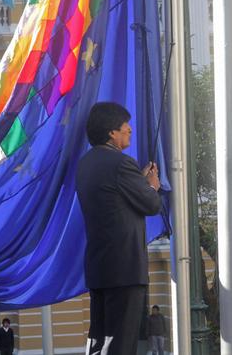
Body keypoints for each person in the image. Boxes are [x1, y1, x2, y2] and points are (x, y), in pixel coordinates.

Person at [75, 102, 162, 355]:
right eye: (126, 127)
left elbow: (116, 196)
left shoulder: (86, 164)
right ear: (112, 132)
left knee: (100, 341)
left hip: (99, 267)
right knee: (121, 344)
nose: (130, 131)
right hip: (125, 268)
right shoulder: (121, 164)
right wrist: (151, 185)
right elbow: (151, 203)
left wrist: (138, 181)